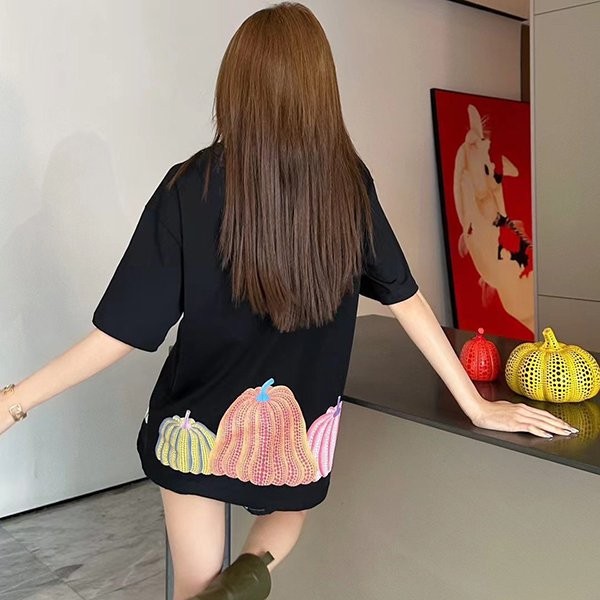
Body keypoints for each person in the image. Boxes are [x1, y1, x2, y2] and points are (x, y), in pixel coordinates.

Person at [0, 3, 578, 600]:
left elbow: (120, 331)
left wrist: (14, 403)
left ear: (234, 87)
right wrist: (476, 405)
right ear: (320, 92)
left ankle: (221, 590)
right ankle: (248, 576)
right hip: (295, 433)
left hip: (194, 425)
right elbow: (405, 299)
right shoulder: (348, 184)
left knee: (193, 587)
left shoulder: (188, 187)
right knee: (286, 515)